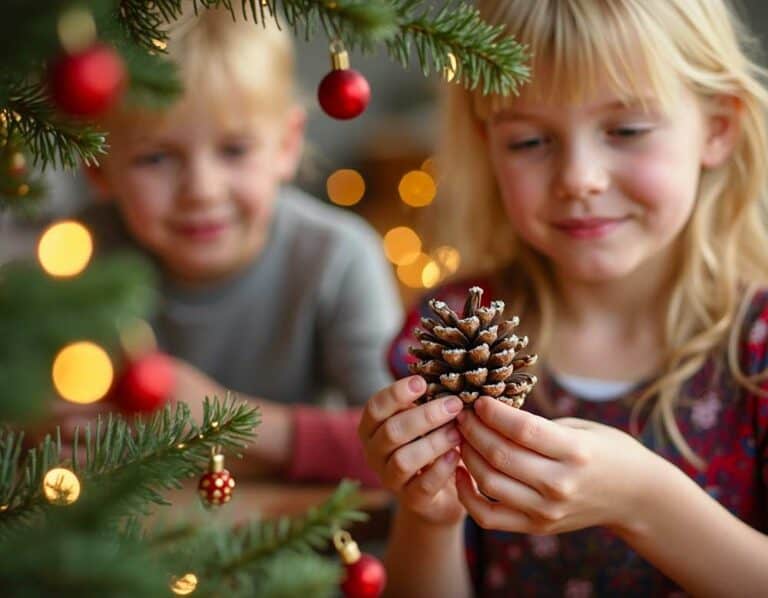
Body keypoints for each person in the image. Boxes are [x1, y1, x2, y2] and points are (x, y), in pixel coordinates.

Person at [358, 0, 768, 595]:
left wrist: (644, 503)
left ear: (718, 128)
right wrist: (429, 515)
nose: (579, 177)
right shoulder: (451, 328)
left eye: (626, 130)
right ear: (488, 144)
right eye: (529, 141)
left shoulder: (758, 346)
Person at [69, 6, 402, 486]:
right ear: (97, 165)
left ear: (286, 145)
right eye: (156, 157)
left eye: (234, 150)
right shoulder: (74, 257)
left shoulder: (338, 258)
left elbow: (404, 446)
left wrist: (224, 422)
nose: (201, 189)